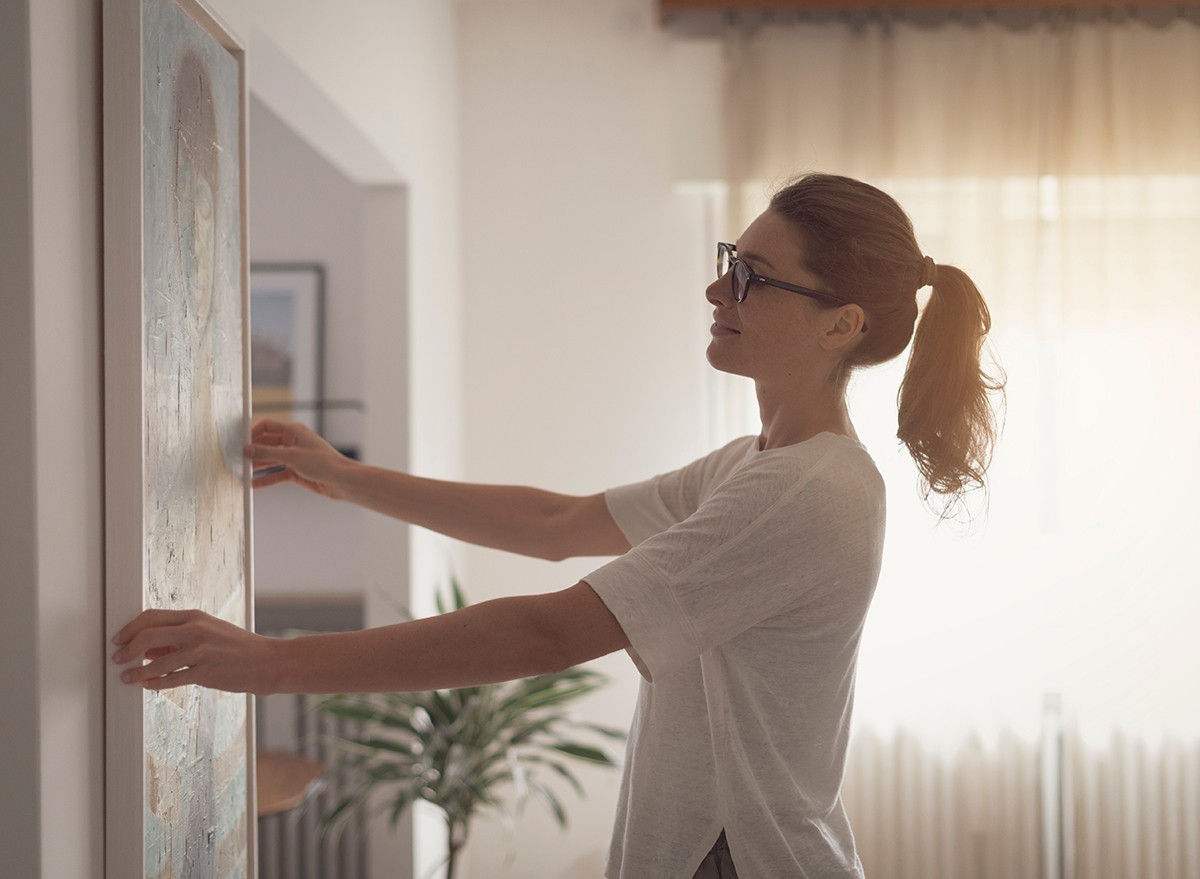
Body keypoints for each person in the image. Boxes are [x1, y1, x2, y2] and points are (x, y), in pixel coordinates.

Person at [113, 173, 1004, 878]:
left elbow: (548, 630)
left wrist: (272, 664)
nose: (714, 286)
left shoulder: (808, 492)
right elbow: (555, 521)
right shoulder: (754, 464)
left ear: (838, 325)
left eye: (750, 277)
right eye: (732, 257)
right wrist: (344, 478)